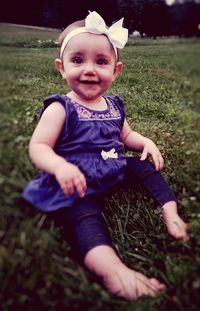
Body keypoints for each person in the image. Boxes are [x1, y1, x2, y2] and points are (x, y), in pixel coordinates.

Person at [23, 11, 189, 300]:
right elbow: (38, 147)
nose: (89, 70)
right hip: (77, 182)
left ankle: (170, 212)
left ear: (116, 70)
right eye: (78, 60)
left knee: (144, 167)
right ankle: (112, 270)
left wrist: (145, 141)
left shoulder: (113, 106)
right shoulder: (60, 109)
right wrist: (60, 167)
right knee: (84, 217)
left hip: (111, 167)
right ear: (61, 68)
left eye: (101, 62)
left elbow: (126, 137)